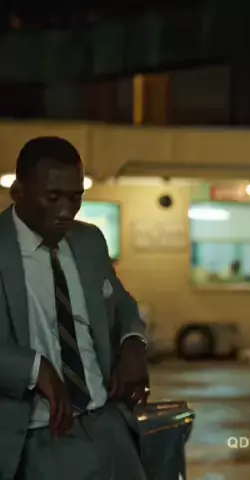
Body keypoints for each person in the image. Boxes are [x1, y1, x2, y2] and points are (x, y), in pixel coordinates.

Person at [0, 136, 149, 480]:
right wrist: (35, 369)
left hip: (109, 425)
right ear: (18, 192)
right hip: (39, 435)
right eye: (53, 198)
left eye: (75, 197)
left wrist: (133, 344)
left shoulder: (89, 240)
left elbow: (121, 304)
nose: (66, 211)